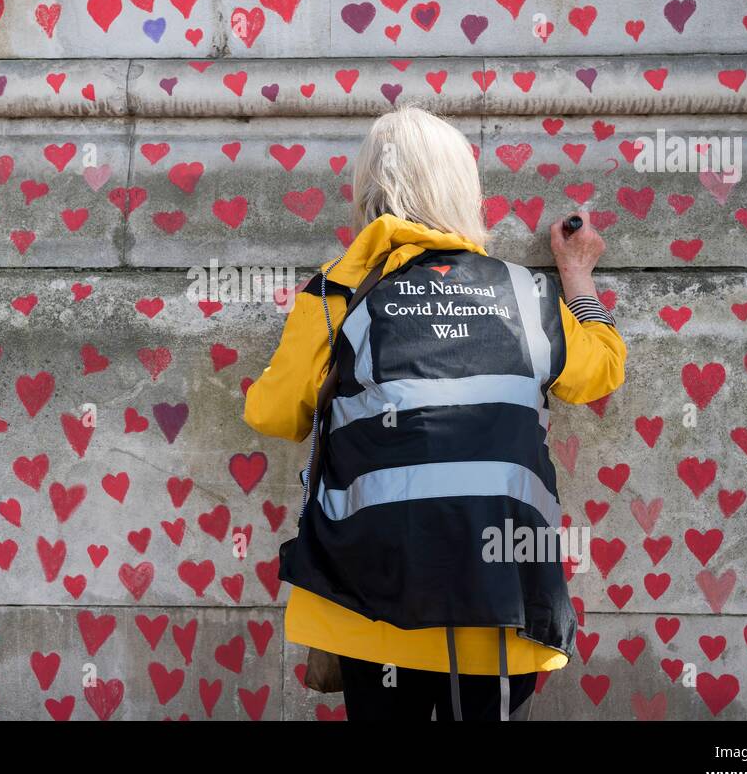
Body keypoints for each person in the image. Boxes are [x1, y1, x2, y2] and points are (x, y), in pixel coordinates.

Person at [243, 103, 627, 721]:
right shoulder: (528, 295)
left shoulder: (338, 294)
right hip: (503, 604)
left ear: (367, 193)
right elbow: (600, 370)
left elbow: (273, 414)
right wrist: (576, 278)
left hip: (371, 607)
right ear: (462, 191)